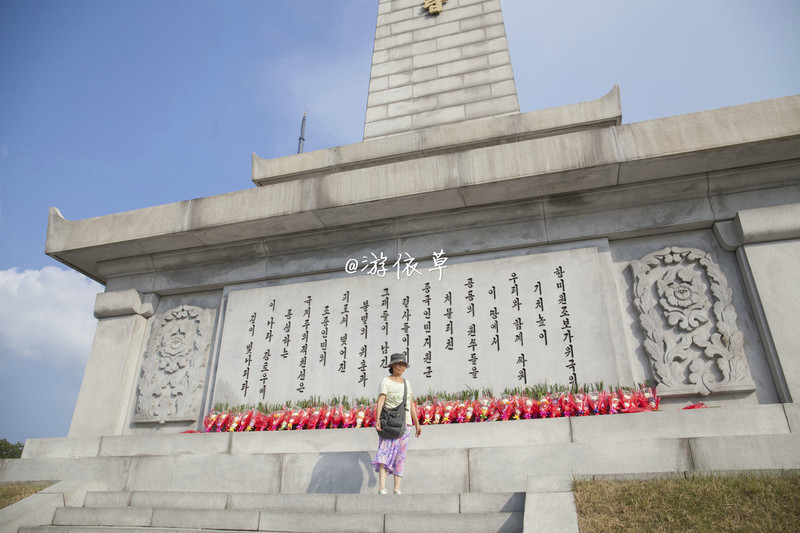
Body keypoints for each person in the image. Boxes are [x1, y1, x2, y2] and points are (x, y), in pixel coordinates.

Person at [372, 352, 421, 494]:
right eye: (398, 364)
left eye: (403, 364)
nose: (401, 367)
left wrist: (417, 422)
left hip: (405, 424)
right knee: (384, 452)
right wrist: (377, 420)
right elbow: (381, 400)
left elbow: (410, 403)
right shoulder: (386, 381)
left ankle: (397, 488)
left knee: (400, 455)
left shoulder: (407, 383)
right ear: (392, 365)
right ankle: (382, 487)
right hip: (388, 423)